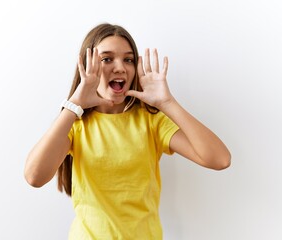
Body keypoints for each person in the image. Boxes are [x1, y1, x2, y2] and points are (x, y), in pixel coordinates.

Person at [24, 23, 231, 239]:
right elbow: (34, 176)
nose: (120, 67)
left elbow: (220, 159)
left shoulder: (151, 122)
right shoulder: (75, 123)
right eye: (107, 59)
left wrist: (167, 103)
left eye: (128, 59)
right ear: (88, 67)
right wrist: (75, 102)